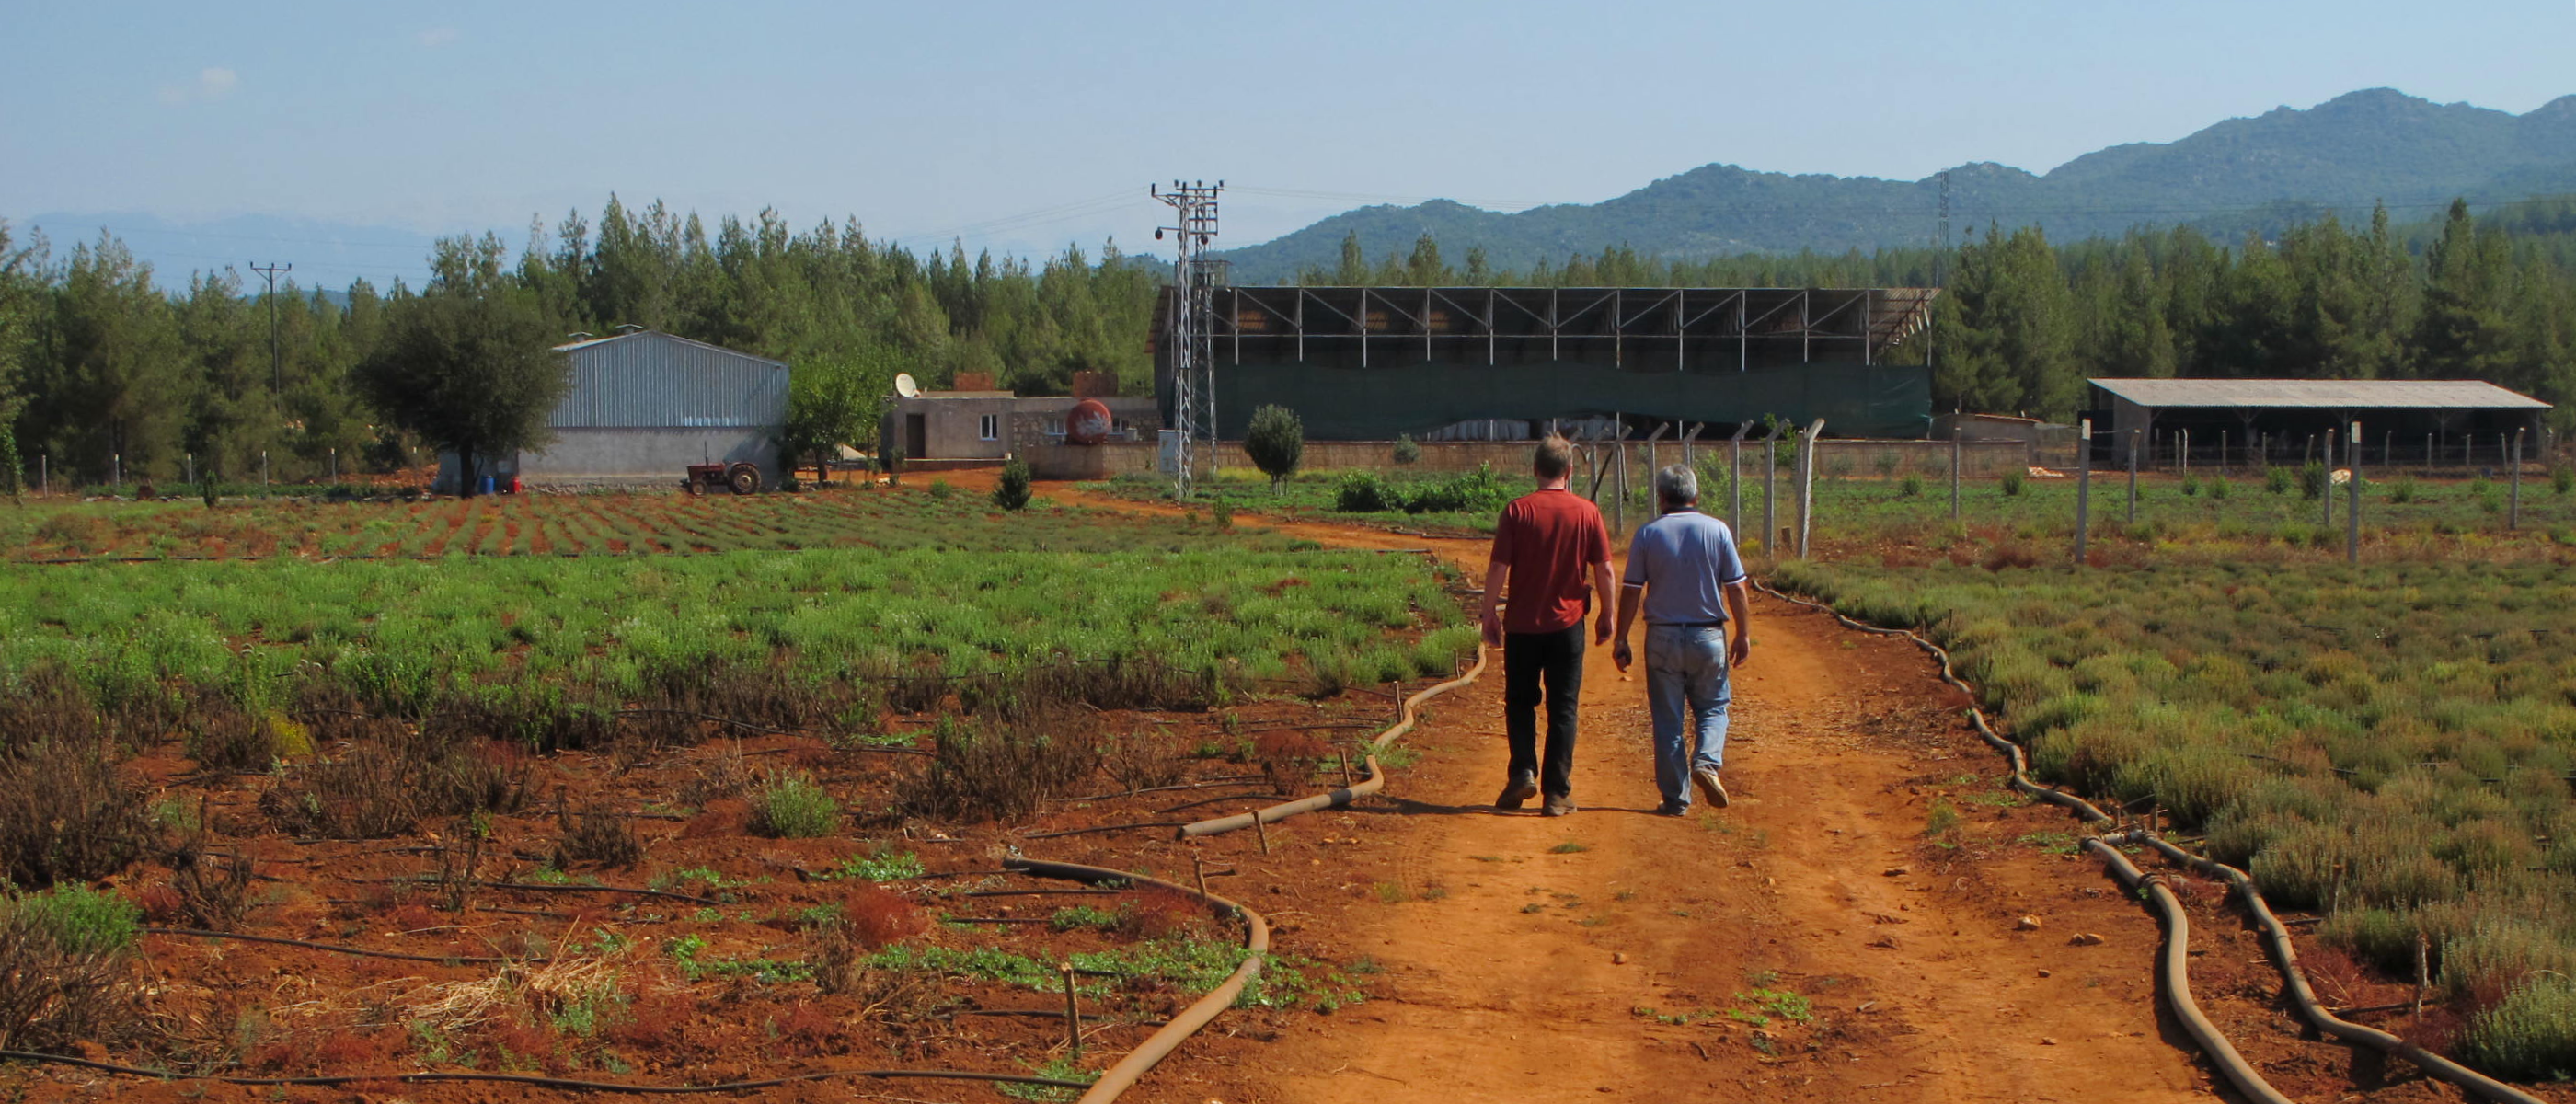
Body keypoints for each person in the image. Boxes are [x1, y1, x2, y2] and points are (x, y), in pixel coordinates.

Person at [1478, 436, 1616, 817]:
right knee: (1563, 708)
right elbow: (1603, 568)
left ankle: (1523, 770)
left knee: (1520, 702)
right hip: (1568, 626)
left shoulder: (1517, 511)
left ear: (1535, 469)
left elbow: (1497, 568)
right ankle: (1556, 793)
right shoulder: (1587, 512)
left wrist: (1488, 613)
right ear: (1569, 472)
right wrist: (1608, 613)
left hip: (1523, 625)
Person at [1611, 464, 1752, 816]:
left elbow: (1631, 591)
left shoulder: (1647, 534)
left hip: (1663, 637)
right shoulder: (1717, 530)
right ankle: (1706, 762)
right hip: (1708, 634)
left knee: (1668, 719)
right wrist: (1743, 633)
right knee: (1714, 707)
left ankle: (1675, 799)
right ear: (1696, 495)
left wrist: (1622, 637)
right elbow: (1736, 587)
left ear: (1661, 497)